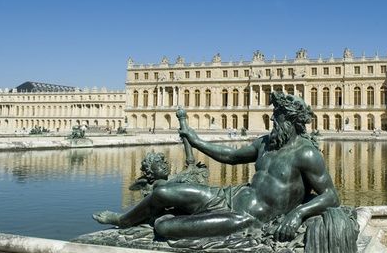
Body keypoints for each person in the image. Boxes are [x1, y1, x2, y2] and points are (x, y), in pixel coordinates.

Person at [93, 92, 340, 242]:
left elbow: (331, 196)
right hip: (229, 196)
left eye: (277, 115)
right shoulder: (266, 143)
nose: (272, 119)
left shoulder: (306, 153)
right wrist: (196, 139)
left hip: (245, 218)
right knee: (162, 192)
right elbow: (231, 156)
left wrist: (298, 214)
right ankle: (124, 220)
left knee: (163, 226)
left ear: (291, 120)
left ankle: (183, 218)